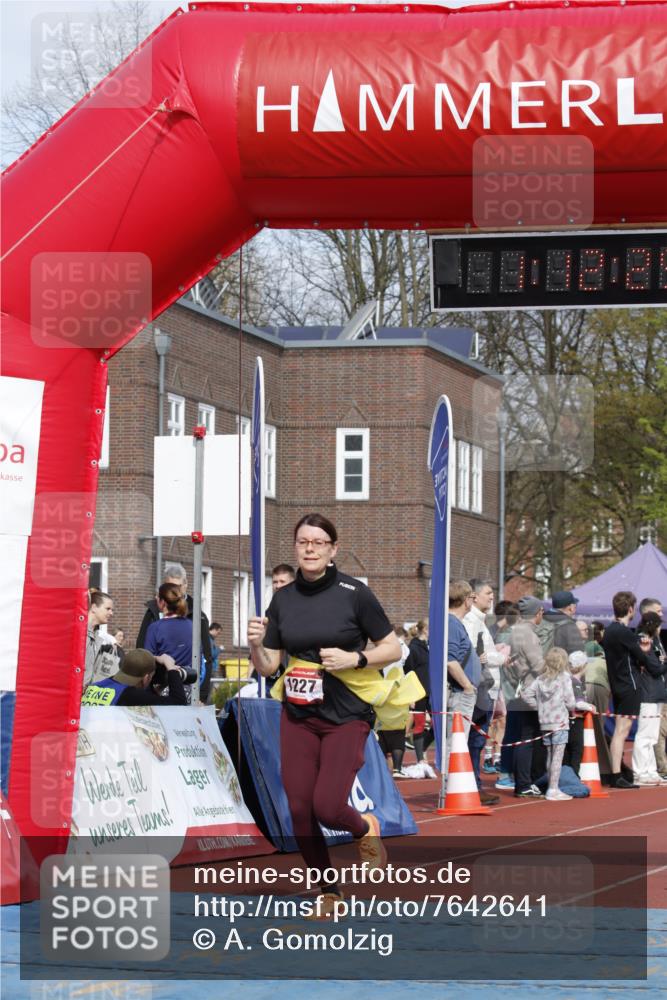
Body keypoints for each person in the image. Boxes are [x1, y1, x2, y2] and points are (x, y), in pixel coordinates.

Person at [247, 513, 418, 919]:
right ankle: (328, 892)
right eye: (303, 542)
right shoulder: (283, 599)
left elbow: (393, 649)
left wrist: (354, 657)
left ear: (332, 550)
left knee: (327, 805)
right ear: (295, 547)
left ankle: (365, 828)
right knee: (300, 810)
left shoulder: (354, 593)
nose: (310, 548)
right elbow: (270, 666)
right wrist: (255, 645)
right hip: (299, 712)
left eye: (318, 542)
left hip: (347, 712)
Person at [601, 590, 663, 789]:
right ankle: (616, 774)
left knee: (620, 731)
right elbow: (642, 657)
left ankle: (616, 772)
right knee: (622, 731)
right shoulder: (625, 633)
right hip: (630, 685)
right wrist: (645, 652)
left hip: (617, 683)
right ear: (630, 609)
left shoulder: (609, 630)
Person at [522, 648, 595, 801]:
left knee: (550, 754)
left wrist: (539, 707)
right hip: (560, 722)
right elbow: (570, 702)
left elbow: (526, 694)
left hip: (545, 723)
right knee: (557, 756)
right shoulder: (564, 678)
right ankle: (553, 789)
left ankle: (551, 785)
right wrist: (570, 708)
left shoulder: (540, 679)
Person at [136, 563, 214, 701]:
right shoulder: (153, 612)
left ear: (186, 585)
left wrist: (202, 694)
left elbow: (206, 656)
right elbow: (142, 651)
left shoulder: (197, 616)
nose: (173, 591)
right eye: (169, 587)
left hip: (187, 686)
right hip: (157, 686)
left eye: (177, 587)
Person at [463, 580, 505, 806]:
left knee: (477, 741)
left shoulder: (480, 622)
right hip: (480, 689)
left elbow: (487, 655)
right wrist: (495, 657)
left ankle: (473, 786)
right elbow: (476, 654)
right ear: (474, 596)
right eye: (488, 593)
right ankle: (473, 787)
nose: (491, 597)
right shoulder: (472, 622)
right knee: (475, 741)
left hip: (486, 688)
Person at [502, 596, 546, 798]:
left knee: (524, 737)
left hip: (519, 688)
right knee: (528, 738)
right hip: (530, 690)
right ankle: (524, 783)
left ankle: (525, 780)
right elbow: (538, 665)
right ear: (537, 613)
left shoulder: (515, 631)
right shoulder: (527, 634)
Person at [632, 611, 667, 785]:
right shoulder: (643, 640)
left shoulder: (656, 641)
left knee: (652, 735)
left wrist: (662, 661)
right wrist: (664, 662)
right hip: (648, 693)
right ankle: (639, 771)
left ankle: (650, 769)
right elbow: (655, 667)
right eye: (659, 624)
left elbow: (659, 663)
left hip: (658, 693)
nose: (661, 628)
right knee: (644, 734)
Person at [81, 650, 187, 706]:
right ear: (146, 678)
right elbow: (178, 703)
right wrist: (171, 668)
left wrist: (157, 689)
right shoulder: (129, 695)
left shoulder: (96, 686)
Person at [404, 620, 430, 763]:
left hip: (432, 693)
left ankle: (424, 747)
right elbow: (408, 672)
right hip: (419, 693)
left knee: (440, 724)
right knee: (419, 724)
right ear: (425, 629)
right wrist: (411, 696)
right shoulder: (413, 648)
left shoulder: (432, 646)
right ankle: (420, 759)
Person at [84, 591, 120, 688]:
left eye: (112, 610)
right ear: (94, 607)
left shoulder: (94, 635)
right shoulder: (81, 634)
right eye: (108, 609)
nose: (111, 613)